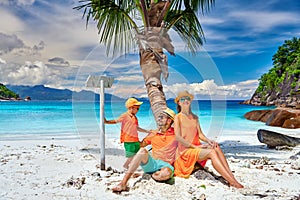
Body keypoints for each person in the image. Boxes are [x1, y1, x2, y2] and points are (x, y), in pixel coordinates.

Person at [173, 91, 244, 188]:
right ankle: (232, 182)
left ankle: (230, 176)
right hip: (185, 151)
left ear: (190, 101)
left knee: (215, 146)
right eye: (182, 99)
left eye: (187, 98)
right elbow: (177, 137)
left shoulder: (195, 117)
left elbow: (200, 134)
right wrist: (195, 146)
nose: (185, 100)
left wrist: (208, 141)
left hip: (196, 147)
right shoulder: (177, 117)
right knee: (211, 153)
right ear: (179, 103)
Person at [112, 108, 178, 192]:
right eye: (159, 117)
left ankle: (147, 174)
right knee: (142, 151)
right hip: (152, 163)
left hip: (166, 166)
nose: (159, 119)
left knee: (165, 174)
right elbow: (140, 145)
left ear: (169, 121)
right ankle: (123, 183)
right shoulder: (153, 134)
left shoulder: (176, 135)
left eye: (162, 117)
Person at [105, 97, 150, 169]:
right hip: (128, 139)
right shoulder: (125, 116)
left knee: (138, 154)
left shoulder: (135, 117)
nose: (138, 110)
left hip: (135, 139)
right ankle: (126, 166)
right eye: (137, 108)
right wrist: (106, 122)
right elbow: (116, 121)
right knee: (131, 155)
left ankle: (133, 166)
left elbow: (136, 128)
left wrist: (147, 131)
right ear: (131, 108)